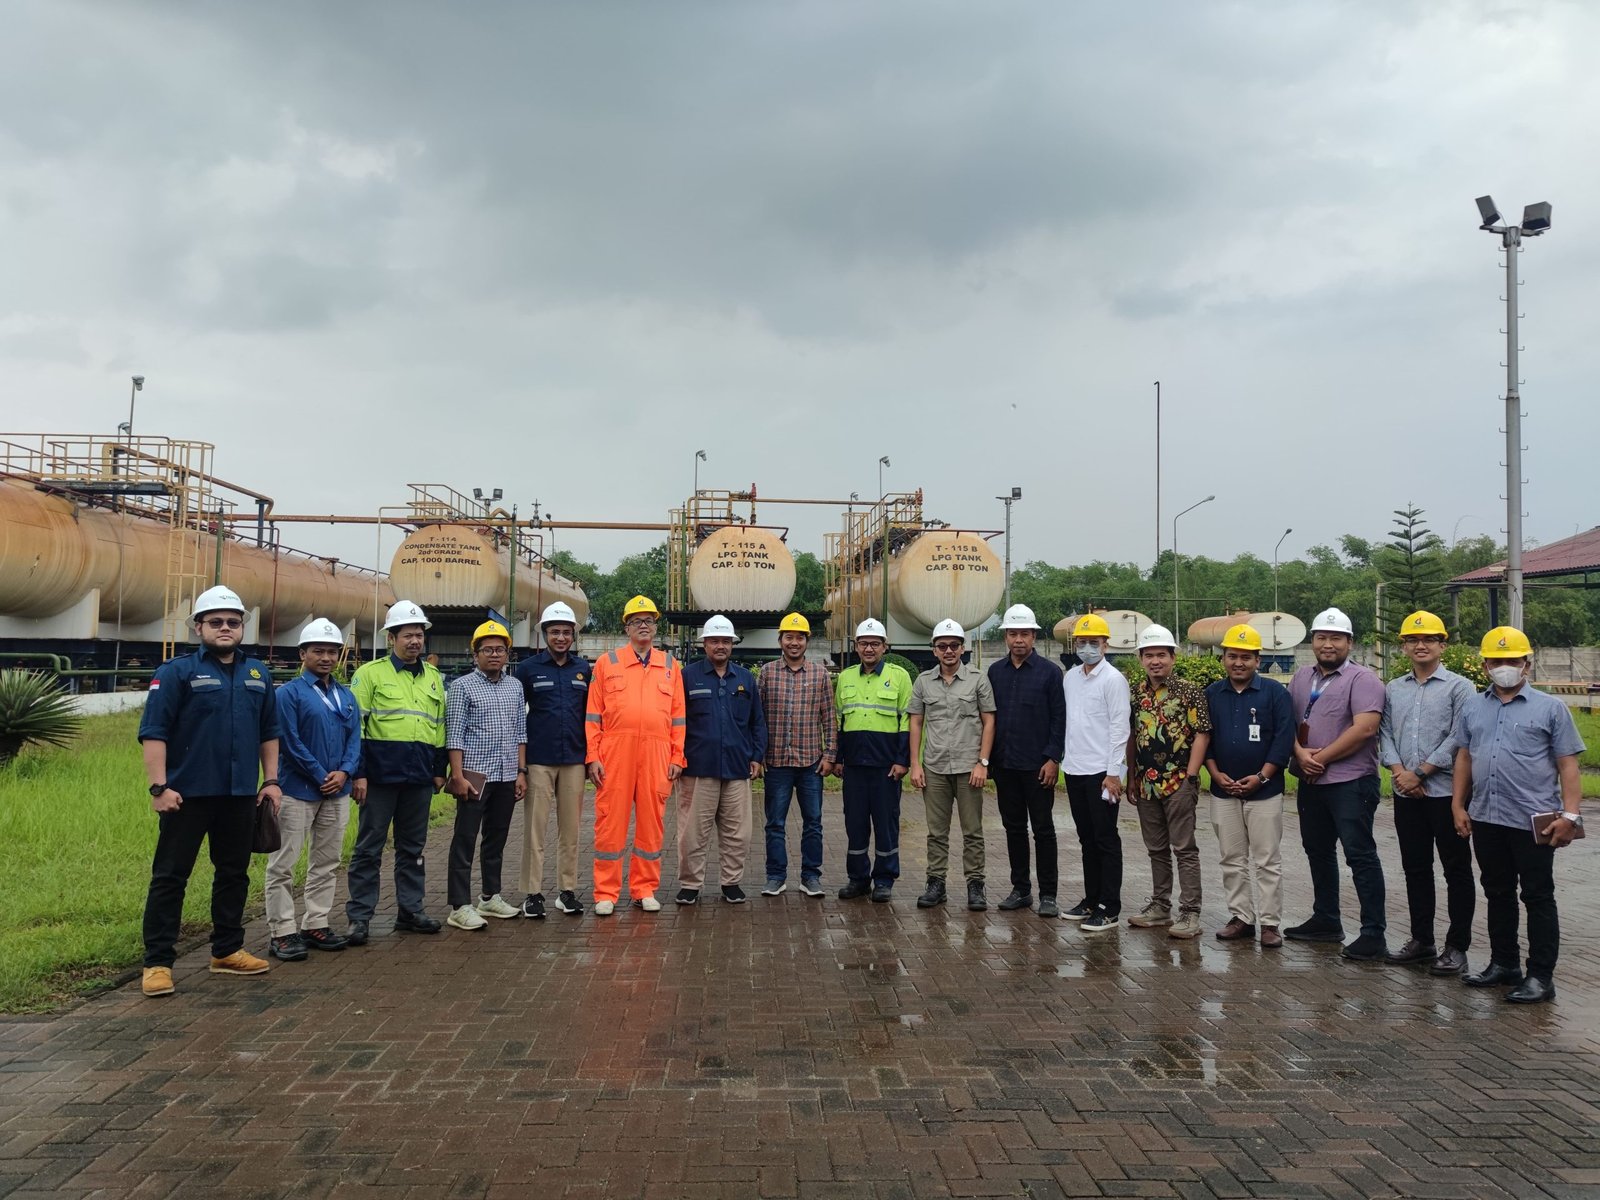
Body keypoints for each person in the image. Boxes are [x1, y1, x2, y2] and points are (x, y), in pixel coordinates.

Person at [138, 585, 281, 997]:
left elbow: (269, 732)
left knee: (234, 873)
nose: (225, 628)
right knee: (170, 877)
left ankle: (227, 950)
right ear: (198, 627)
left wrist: (271, 781)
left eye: (233, 622)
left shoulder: (258, 674)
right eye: (215, 621)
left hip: (239, 795)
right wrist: (159, 787)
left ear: (242, 628)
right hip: (187, 796)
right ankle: (158, 963)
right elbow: (154, 732)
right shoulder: (175, 672)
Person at [1452, 626, 1586, 1003]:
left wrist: (1571, 816)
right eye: (1496, 660)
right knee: (1497, 892)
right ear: (1485, 665)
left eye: (1512, 660)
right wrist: (1458, 805)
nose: (1504, 667)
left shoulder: (1551, 708)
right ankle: (1504, 964)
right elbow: (1464, 757)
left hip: (1533, 820)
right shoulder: (1473, 706)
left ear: (1527, 663)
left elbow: (1568, 765)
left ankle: (1541, 976)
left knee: (1538, 896)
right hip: (1486, 816)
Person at [1285, 606, 1388, 960]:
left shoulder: (1363, 680)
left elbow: (1365, 729)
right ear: (1312, 641)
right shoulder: (1301, 677)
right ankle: (1326, 919)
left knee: (1360, 855)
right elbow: (1287, 721)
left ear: (1350, 642)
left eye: (1336, 638)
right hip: (1310, 781)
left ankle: (1373, 933)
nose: (1327, 644)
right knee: (1318, 850)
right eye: (1321, 637)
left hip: (1350, 782)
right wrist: (1299, 754)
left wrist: (1320, 759)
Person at [1378, 611, 1477, 974]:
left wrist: (1421, 772)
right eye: (1413, 640)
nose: (1421, 645)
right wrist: (1400, 773)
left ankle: (1457, 946)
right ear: (1403, 646)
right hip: (1408, 795)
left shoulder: (1460, 687)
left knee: (1456, 869)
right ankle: (1422, 940)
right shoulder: (1394, 688)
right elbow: (1384, 732)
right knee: (1416, 868)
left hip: (1447, 794)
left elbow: (1459, 736)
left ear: (1442, 645)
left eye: (1429, 639)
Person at [345, 600, 447, 944]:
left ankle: (410, 911)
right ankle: (360, 917)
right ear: (392, 638)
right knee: (368, 848)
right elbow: (355, 728)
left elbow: (439, 727)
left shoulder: (433, 678)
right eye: (407, 635)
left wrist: (438, 770)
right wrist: (358, 774)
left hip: (418, 777)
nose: (415, 641)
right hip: (379, 778)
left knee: (413, 848)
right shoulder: (369, 674)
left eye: (419, 634)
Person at [265, 617, 361, 962]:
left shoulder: (345, 695)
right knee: (283, 864)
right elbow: (289, 742)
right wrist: (322, 774)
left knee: (327, 861)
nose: (326, 657)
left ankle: (316, 923)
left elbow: (355, 738)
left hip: (337, 793)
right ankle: (282, 931)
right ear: (302, 654)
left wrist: (345, 772)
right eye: (318, 651)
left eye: (332, 652)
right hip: (297, 791)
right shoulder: (288, 694)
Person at [585, 595, 685, 916]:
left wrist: (677, 756)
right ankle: (606, 892)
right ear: (626, 628)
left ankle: (644, 889)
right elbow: (593, 716)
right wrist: (593, 756)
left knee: (651, 824)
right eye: (636, 621)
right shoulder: (607, 663)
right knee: (610, 822)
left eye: (649, 621)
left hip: (657, 754)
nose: (643, 626)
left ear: (656, 627)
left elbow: (679, 716)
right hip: (615, 754)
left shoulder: (670, 666)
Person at [1203, 623, 1294, 947]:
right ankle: (1241, 918)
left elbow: (1283, 740)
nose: (1238, 663)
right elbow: (1204, 739)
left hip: (1265, 791)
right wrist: (1214, 773)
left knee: (1267, 860)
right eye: (1232, 656)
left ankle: (1270, 924)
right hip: (1223, 790)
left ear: (1257, 659)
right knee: (1231, 858)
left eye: (1245, 657)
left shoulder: (1275, 693)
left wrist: (1262, 777)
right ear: (1223, 658)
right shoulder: (1211, 694)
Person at [1125, 624, 1211, 939]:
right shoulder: (1136, 692)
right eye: (1149, 655)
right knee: (1156, 848)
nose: (1155, 661)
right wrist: (1131, 776)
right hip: (1145, 782)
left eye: (1161, 654)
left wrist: (1191, 776)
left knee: (1184, 848)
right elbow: (1132, 734)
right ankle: (1160, 906)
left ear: (1173, 657)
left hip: (1179, 781)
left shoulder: (1189, 691)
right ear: (1141, 659)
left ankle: (1190, 912)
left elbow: (1202, 733)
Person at [676, 615, 767, 905]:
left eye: (726, 641)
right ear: (704, 644)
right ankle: (690, 884)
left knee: (738, 833)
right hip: (697, 768)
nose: (720, 646)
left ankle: (731, 882)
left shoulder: (745, 679)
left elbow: (757, 721)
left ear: (732, 645)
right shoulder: (687, 676)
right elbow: (675, 720)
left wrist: (757, 756)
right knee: (693, 832)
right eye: (714, 640)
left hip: (737, 767)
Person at [444, 620, 528, 931]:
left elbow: (521, 731)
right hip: (474, 775)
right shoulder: (462, 686)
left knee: (496, 838)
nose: (494, 654)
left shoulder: (514, 686)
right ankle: (459, 905)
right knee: (465, 839)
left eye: (500, 649)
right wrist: (457, 776)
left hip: (506, 774)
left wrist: (521, 772)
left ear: (507, 654)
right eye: (487, 649)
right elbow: (454, 734)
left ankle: (490, 897)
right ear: (475, 654)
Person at [909, 619, 995, 912]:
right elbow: (916, 723)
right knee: (936, 832)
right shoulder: (923, 681)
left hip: (969, 767)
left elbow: (989, 721)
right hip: (934, 767)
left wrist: (982, 762)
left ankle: (976, 885)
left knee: (972, 831)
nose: (948, 651)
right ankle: (936, 883)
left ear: (962, 648)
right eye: (942, 646)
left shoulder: (978, 679)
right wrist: (915, 765)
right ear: (934, 650)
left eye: (954, 645)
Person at [986, 604, 1065, 918]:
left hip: (1038, 767)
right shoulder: (995, 672)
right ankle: (1021, 889)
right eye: (1013, 633)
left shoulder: (1050, 672)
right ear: (1006, 636)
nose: (1018, 639)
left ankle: (1048, 895)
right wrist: (988, 760)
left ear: (1034, 636)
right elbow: (988, 719)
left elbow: (1059, 719)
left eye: (1024, 634)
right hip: (1005, 765)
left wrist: (1053, 758)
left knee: (1043, 830)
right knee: (1013, 829)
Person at [513, 601, 589, 918]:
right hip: (539, 760)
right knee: (535, 829)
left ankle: (566, 891)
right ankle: (533, 894)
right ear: (544, 634)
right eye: (555, 631)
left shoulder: (583, 670)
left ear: (573, 635)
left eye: (566, 632)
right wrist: (520, 766)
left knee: (570, 830)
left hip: (574, 759)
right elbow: (516, 717)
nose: (561, 637)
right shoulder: (527, 669)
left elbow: (591, 716)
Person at [1060, 613, 1131, 934]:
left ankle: (1109, 906)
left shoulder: (1113, 680)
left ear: (1105, 645)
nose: (1087, 648)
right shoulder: (1071, 677)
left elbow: (1120, 728)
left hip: (1102, 773)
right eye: (1082, 642)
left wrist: (1114, 773)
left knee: (1105, 838)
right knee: (1086, 838)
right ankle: (1091, 899)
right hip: (1075, 769)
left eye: (1093, 642)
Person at [758, 612, 837, 898]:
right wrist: (758, 755)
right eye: (789, 637)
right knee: (774, 824)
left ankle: (811, 877)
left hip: (810, 763)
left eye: (800, 637)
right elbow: (758, 718)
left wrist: (829, 755)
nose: (794, 642)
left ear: (807, 641)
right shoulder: (767, 673)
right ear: (780, 640)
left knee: (813, 823)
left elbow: (829, 718)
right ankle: (775, 877)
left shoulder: (819, 674)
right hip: (777, 762)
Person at [834, 618, 912, 903]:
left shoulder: (900, 676)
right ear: (856, 646)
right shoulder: (846, 677)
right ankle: (858, 879)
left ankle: (884, 880)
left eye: (875, 643)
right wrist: (838, 759)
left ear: (884, 646)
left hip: (886, 767)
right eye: (864, 643)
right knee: (855, 824)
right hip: (854, 766)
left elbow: (906, 721)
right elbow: (839, 722)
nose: (869, 648)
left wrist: (902, 761)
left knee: (886, 824)